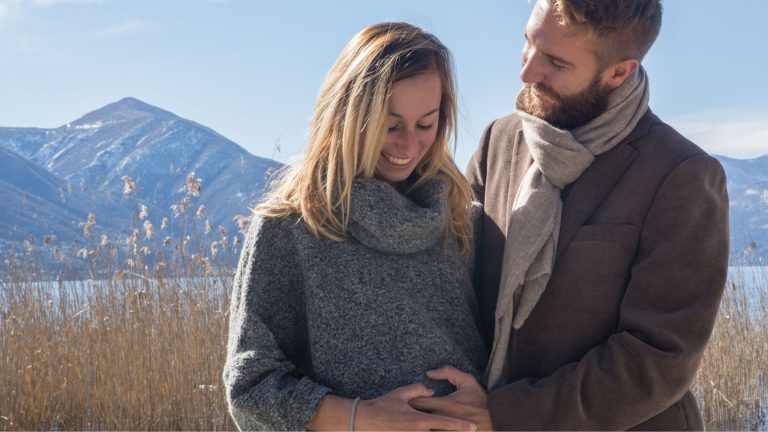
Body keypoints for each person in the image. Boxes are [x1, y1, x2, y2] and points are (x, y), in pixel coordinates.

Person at [410, 0, 730, 430]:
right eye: (528, 43)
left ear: (619, 72)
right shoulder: (499, 142)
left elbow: (657, 359)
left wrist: (506, 414)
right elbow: (450, 280)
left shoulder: (682, 176)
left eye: (556, 63)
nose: (527, 72)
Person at [222, 22, 488, 431]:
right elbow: (250, 389)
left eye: (425, 124)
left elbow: (507, 353)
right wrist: (358, 417)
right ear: (347, 115)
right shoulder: (292, 226)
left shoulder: (460, 219)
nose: (407, 145)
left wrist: (492, 405)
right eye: (389, 124)